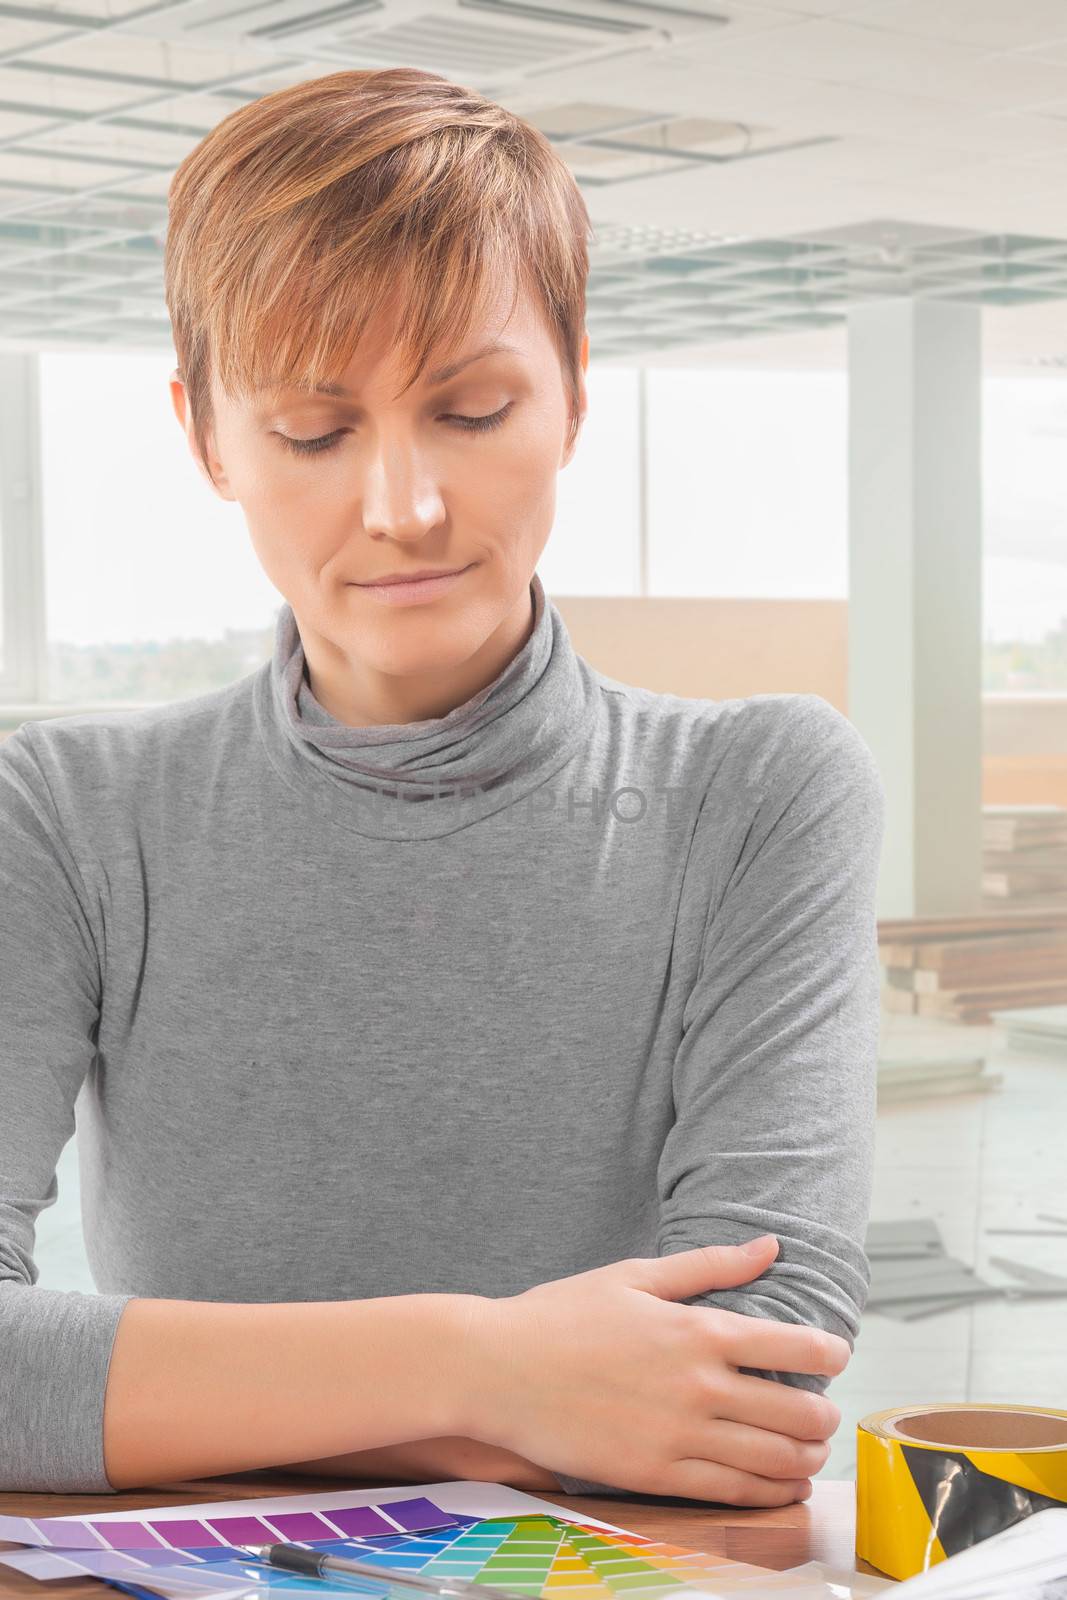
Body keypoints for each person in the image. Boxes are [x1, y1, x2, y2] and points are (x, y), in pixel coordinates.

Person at [0, 66, 885, 1501]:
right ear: (205, 436)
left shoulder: (756, 794)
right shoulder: (72, 816)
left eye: (471, 410)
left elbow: (761, 1373)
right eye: (312, 431)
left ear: (577, 397)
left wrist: (173, 1396)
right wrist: (493, 1375)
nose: (403, 506)